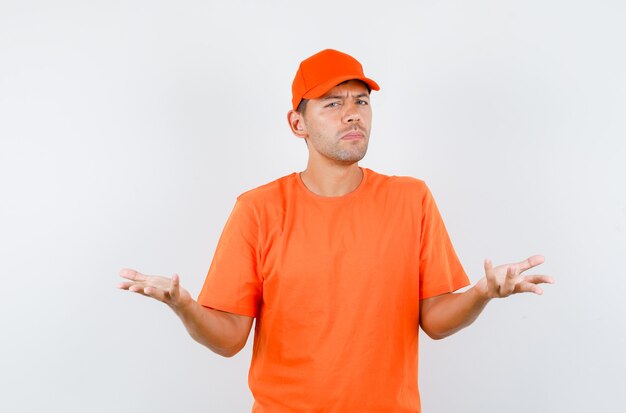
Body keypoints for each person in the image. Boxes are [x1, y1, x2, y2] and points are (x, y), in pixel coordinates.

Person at [118, 49, 553, 412]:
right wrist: (184, 305)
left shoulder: (411, 199)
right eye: (333, 103)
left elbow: (435, 321)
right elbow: (229, 338)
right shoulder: (258, 209)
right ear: (297, 124)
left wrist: (480, 293)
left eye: (361, 102)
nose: (352, 115)